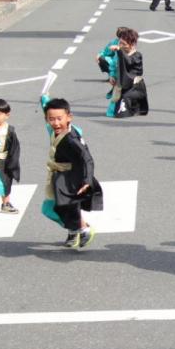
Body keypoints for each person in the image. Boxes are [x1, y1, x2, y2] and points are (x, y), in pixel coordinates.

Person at [40, 96, 103, 249]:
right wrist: (45, 99)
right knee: (64, 207)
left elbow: (87, 159)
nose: (55, 123)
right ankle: (74, 230)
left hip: (70, 178)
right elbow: (48, 111)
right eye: (51, 119)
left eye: (59, 119)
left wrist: (87, 180)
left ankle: (82, 229)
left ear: (69, 117)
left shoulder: (71, 139)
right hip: (60, 175)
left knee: (52, 208)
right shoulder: (54, 129)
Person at [111, 29, 148, 118]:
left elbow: (129, 61)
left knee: (125, 100)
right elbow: (115, 66)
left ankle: (136, 105)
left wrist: (120, 51)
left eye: (124, 44)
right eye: (120, 43)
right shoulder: (121, 53)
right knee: (112, 110)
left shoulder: (137, 55)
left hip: (135, 86)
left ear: (132, 44)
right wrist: (112, 76)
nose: (121, 46)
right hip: (124, 85)